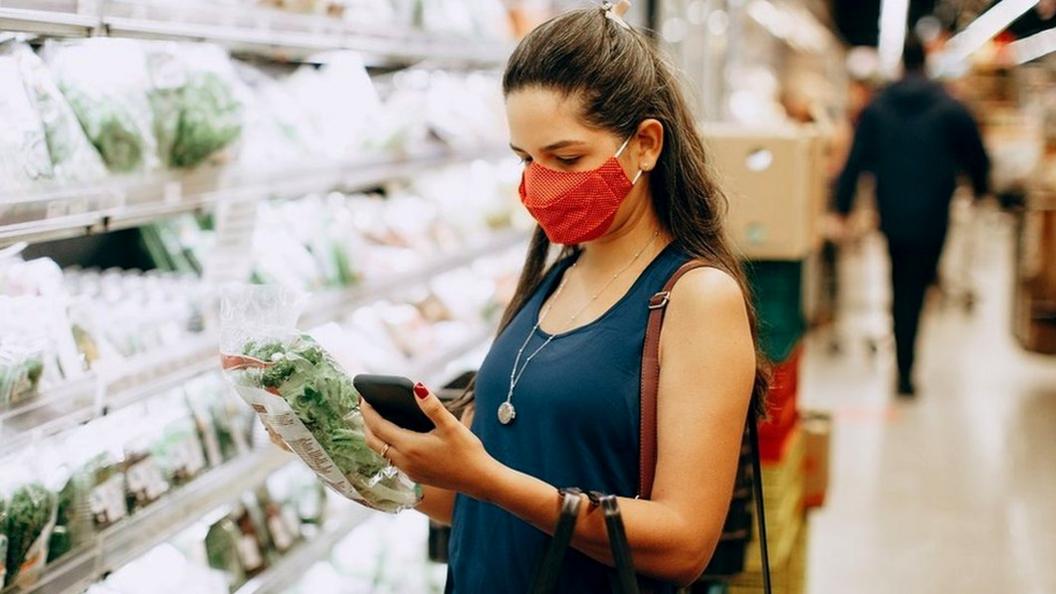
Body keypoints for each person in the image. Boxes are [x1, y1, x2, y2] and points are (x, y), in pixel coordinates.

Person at [358, 4, 768, 593]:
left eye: (566, 158)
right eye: (525, 159)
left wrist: (489, 480)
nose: (539, 183)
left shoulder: (695, 299)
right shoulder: (552, 278)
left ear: (646, 144)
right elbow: (471, 501)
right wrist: (345, 446)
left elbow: (683, 544)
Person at [834, 34, 990, 397]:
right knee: (919, 285)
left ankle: (903, 364)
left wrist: (842, 205)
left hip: (892, 213)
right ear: (926, 62)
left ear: (901, 63)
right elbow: (977, 156)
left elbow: (855, 161)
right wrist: (981, 190)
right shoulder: (950, 107)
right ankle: (908, 363)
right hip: (934, 214)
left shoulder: (877, 107)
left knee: (898, 282)